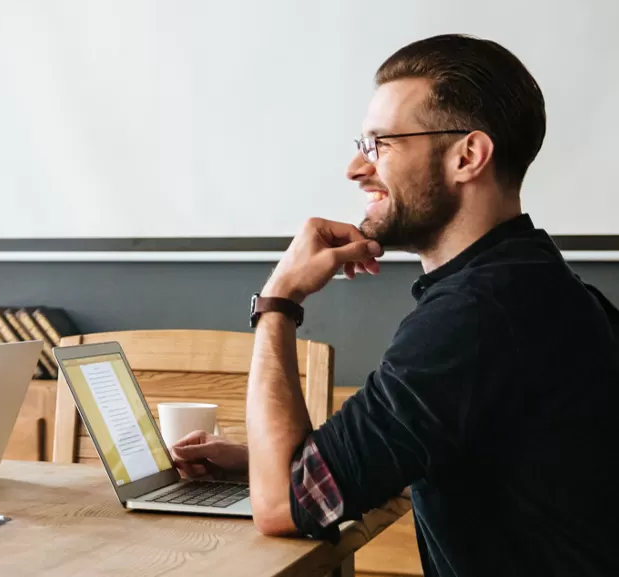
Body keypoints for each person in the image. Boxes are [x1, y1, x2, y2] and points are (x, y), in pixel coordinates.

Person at [168, 34, 619, 575]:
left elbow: (282, 507)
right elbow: (450, 453)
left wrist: (279, 300)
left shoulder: (475, 316)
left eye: (380, 144)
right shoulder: (533, 286)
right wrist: (263, 463)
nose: (356, 170)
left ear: (467, 156)